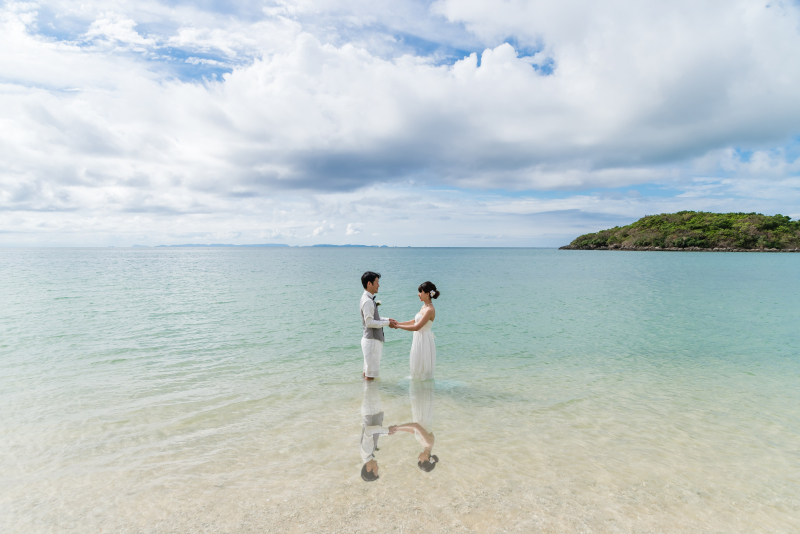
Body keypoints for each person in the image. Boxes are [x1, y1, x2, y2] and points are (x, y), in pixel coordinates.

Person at [390, 281, 438, 380]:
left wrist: (398, 327)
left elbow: (417, 327)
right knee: (417, 366)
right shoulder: (424, 307)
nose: (418, 294)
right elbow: (414, 321)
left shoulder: (430, 310)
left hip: (424, 340)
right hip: (418, 339)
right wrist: (398, 323)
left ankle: (425, 392)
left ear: (427, 294)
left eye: (420, 292)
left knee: (423, 368)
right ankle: (418, 392)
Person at [388, 379, 438, 472]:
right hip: (423, 414)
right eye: (420, 461)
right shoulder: (429, 443)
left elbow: (414, 431)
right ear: (427, 459)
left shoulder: (425, 446)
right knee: (419, 390)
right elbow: (416, 426)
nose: (418, 458)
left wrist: (398, 430)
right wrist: (397, 427)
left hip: (419, 415)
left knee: (417, 390)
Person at [359, 271, 396, 380]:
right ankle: (370, 396)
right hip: (372, 341)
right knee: (370, 376)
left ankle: (367, 394)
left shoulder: (366, 298)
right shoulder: (368, 301)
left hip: (370, 340)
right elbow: (369, 323)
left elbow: (373, 319)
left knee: (367, 373)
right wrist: (388, 323)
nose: (378, 285)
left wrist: (388, 319)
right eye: (377, 282)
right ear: (369, 284)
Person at [360, 380, 389, 482]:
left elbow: (368, 430)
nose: (378, 468)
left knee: (370, 382)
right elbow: (372, 434)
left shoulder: (367, 452)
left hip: (370, 411)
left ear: (368, 469)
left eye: (376, 470)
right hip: (371, 411)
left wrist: (386, 430)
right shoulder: (368, 453)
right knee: (370, 382)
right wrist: (387, 433)